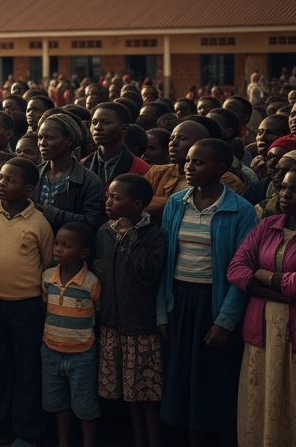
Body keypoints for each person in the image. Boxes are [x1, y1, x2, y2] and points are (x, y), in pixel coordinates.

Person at [157, 138, 257, 445]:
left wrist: (225, 321)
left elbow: (242, 270)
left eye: (198, 162)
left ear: (221, 169)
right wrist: (162, 310)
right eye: (188, 160)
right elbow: (165, 261)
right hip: (180, 301)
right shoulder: (175, 204)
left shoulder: (239, 211)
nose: (189, 166)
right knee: (180, 382)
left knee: (213, 386)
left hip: (213, 303)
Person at [0, 156, 54, 447]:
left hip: (27, 305)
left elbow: (47, 264)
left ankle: (27, 433)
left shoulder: (40, 222)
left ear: (28, 188)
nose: (1, 184)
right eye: (0, 178)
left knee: (28, 370)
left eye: (10, 180)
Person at [230, 162, 296, 446]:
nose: (285, 194)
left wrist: (266, 277)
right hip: (261, 325)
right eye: (284, 187)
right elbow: (236, 267)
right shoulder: (267, 225)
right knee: (261, 396)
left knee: (295, 399)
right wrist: (268, 286)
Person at [94, 174, 167, 447]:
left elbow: (149, 273)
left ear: (137, 205)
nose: (109, 201)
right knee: (128, 394)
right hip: (112, 324)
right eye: (108, 195)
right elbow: (99, 269)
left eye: (116, 197)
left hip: (141, 327)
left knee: (147, 395)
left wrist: (132, 237)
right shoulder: (104, 231)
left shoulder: (153, 234)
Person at [42, 222, 102, 447]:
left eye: (66, 246)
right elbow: (45, 308)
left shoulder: (91, 283)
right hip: (50, 351)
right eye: (57, 243)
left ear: (83, 253)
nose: (58, 249)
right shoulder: (47, 277)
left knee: (85, 406)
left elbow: (98, 314)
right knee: (58, 404)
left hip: (82, 354)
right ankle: (63, 442)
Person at [35, 112, 106, 234]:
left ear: (69, 142)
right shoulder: (34, 174)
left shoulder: (88, 180)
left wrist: (48, 212)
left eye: (50, 138)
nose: (42, 143)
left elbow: (91, 222)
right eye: (40, 137)